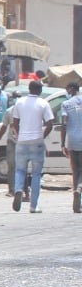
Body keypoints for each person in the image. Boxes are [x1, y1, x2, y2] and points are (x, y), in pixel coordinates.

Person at [2, 79, 55, 212]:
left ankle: (18, 189)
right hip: (36, 141)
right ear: (40, 90)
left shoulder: (19, 102)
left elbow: (15, 123)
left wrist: (20, 136)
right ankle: (33, 206)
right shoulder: (43, 103)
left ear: (29, 89)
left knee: (20, 170)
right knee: (36, 174)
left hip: (22, 142)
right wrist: (42, 137)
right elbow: (50, 124)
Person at [62, 81, 82, 213]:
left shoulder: (66, 104)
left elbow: (64, 124)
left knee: (75, 170)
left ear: (71, 89)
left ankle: (75, 189)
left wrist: (62, 143)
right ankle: (79, 189)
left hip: (71, 141)